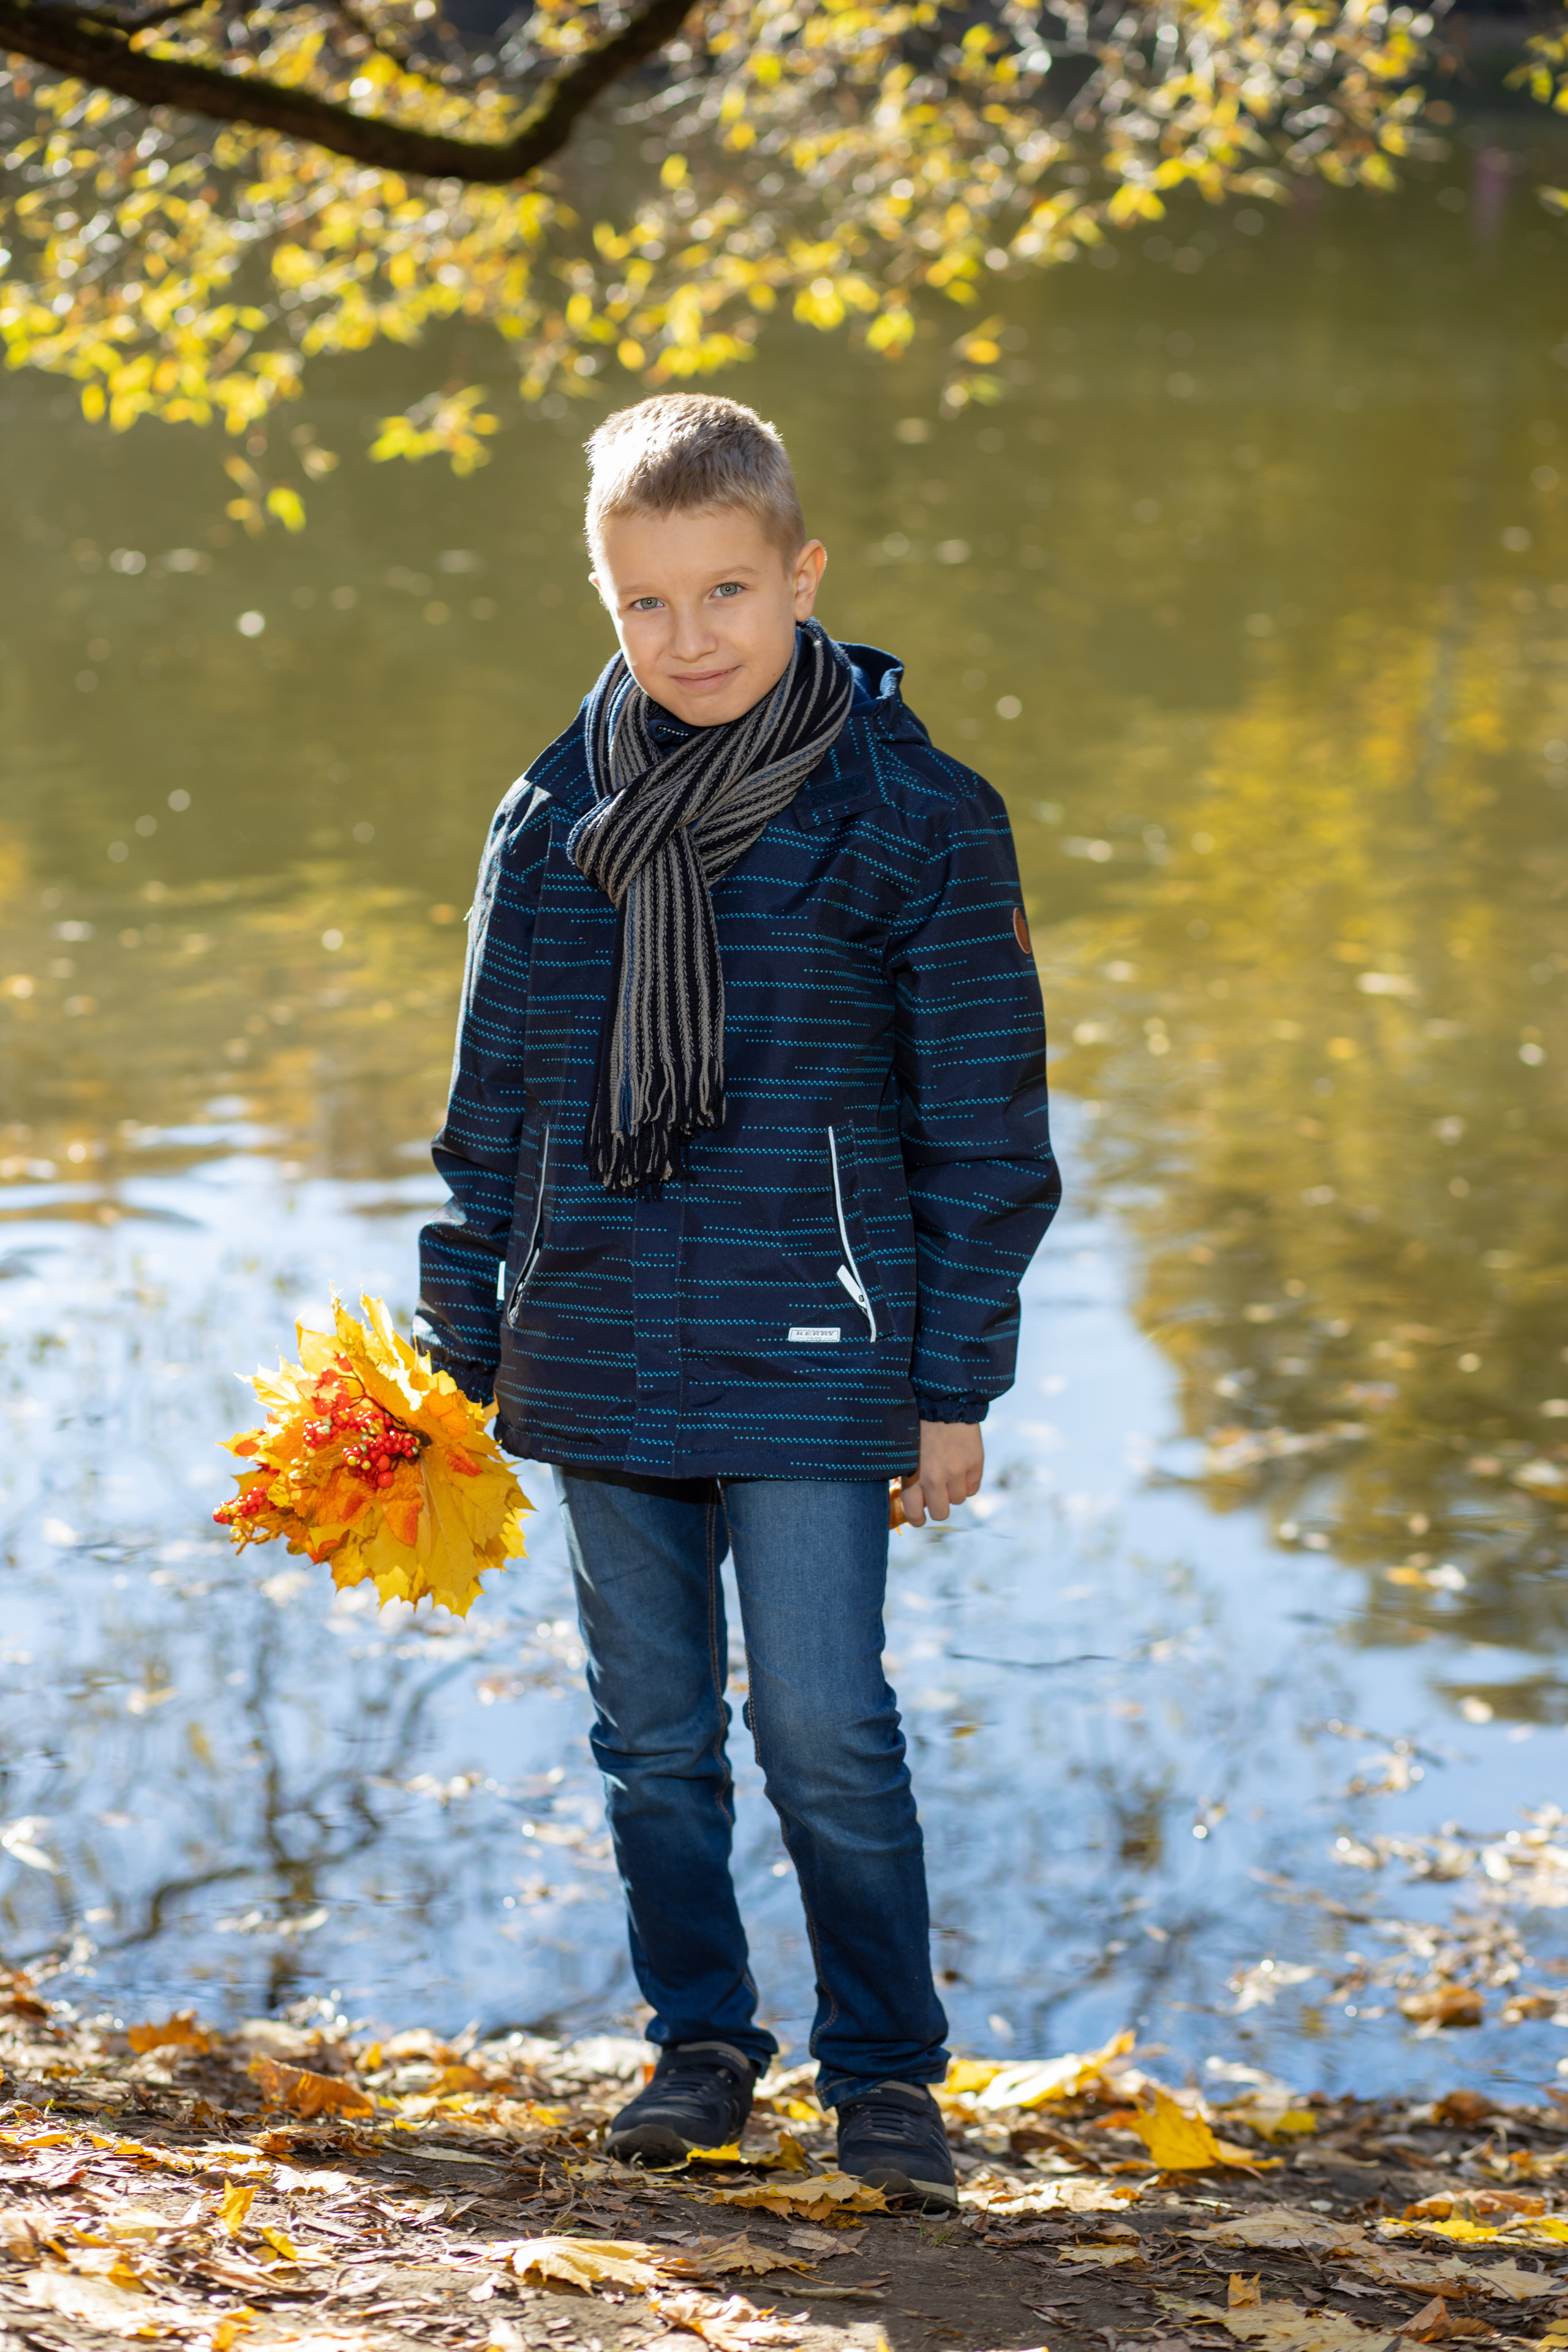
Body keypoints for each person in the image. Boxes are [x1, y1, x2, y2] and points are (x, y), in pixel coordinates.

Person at [415, 391, 1060, 2211]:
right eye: (643, 604)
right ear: (602, 596)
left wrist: (958, 1391)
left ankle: (886, 2079)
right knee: (650, 1730)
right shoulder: (552, 820)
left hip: (822, 1349)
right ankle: (699, 2046)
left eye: (727, 593)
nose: (688, 640)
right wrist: (454, 1353)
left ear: (803, 574)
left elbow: (988, 1134)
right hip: (596, 1342)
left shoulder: (917, 818)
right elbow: (488, 1118)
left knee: (826, 1725)